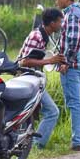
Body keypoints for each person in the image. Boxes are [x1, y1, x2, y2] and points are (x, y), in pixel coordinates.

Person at [17, 8, 66, 149]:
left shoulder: (45, 36)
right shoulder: (37, 36)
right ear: (52, 23)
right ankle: (35, 146)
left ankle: (26, 145)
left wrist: (58, 64)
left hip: (34, 80)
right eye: (59, 21)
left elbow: (43, 59)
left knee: (30, 115)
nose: (61, 25)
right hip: (27, 79)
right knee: (52, 111)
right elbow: (24, 62)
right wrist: (51, 61)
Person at [55, 0, 80, 151]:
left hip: (72, 65)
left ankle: (77, 140)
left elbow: (74, 41)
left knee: (74, 102)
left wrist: (66, 62)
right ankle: (77, 138)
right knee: (74, 101)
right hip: (78, 62)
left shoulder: (72, 15)